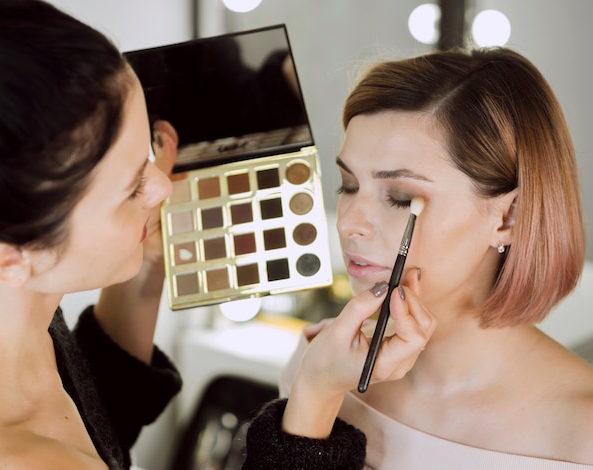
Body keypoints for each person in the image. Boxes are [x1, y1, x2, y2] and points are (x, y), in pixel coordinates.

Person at [0, 1, 431, 469]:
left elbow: (95, 422)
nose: (163, 185)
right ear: (8, 259)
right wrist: (315, 392)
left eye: (149, 150)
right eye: (132, 189)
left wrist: (147, 269)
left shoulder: (8, 317)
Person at [244, 46, 593, 469]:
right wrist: (316, 394)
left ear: (509, 217)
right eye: (348, 185)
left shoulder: (581, 433)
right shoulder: (322, 363)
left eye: (400, 197)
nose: (350, 223)